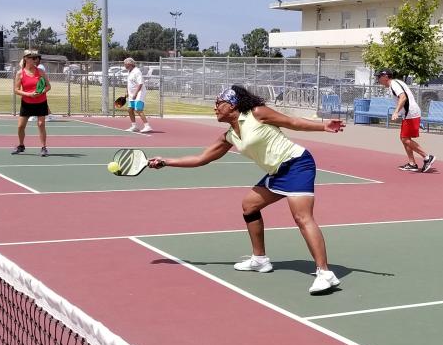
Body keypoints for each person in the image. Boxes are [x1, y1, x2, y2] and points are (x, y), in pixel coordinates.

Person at [147, 86, 345, 295]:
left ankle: (325, 274)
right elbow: (201, 158)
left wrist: (323, 126)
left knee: (302, 218)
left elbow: (292, 122)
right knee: (249, 205)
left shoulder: (257, 113)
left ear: (232, 105)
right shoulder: (230, 136)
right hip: (277, 171)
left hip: (297, 164)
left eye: (218, 104)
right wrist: (166, 161)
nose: (215, 109)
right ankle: (260, 260)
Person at [377, 69, 435, 172]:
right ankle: (412, 163)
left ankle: (427, 157)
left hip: (411, 113)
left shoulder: (394, 84)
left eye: (379, 77)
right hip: (408, 113)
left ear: (385, 77)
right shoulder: (395, 83)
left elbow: (403, 98)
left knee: (405, 139)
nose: (378, 80)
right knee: (404, 138)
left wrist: (396, 112)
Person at [12, 50, 50, 156]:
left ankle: (44, 148)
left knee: (41, 124)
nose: (35, 60)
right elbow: (16, 90)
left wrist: (42, 91)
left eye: (35, 58)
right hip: (27, 102)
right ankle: (21, 146)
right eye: (32, 58)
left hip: (41, 101)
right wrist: (28, 95)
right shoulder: (20, 73)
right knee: (20, 126)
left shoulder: (40, 72)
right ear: (25, 59)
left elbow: (48, 86)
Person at [124, 58, 152, 133]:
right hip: (131, 94)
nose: (124, 65)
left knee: (138, 109)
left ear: (130, 64)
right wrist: (127, 92)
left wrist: (136, 93)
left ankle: (147, 126)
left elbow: (140, 83)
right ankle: (134, 126)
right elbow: (129, 83)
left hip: (139, 93)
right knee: (130, 109)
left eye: (125, 64)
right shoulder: (129, 72)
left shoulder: (137, 71)